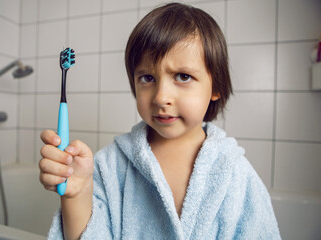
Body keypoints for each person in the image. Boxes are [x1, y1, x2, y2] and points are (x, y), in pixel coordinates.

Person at [39, 3, 281, 240]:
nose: (161, 97)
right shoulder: (110, 165)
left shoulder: (235, 174)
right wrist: (77, 195)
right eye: (147, 77)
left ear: (215, 86)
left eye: (183, 76)